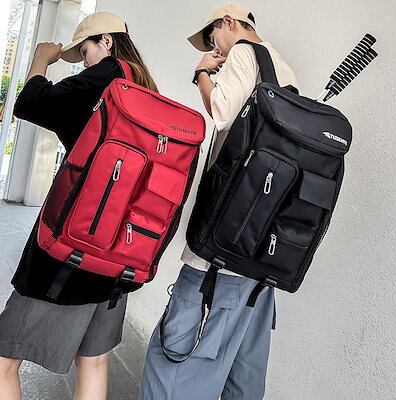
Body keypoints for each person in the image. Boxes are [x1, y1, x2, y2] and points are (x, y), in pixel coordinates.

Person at [140, 3, 301, 400]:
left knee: (173, 357)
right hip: (259, 246)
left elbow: (222, 111)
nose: (215, 49)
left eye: (213, 38)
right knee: (240, 370)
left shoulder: (244, 52)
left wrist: (201, 73)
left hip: (220, 247)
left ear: (229, 23)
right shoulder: (283, 68)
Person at [0, 11, 157, 400]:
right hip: (121, 248)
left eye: (85, 52)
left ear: (106, 41)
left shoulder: (107, 75)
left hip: (72, 244)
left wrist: (41, 59)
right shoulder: (146, 87)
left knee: (3, 359)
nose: (85, 63)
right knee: (94, 361)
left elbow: (31, 102)